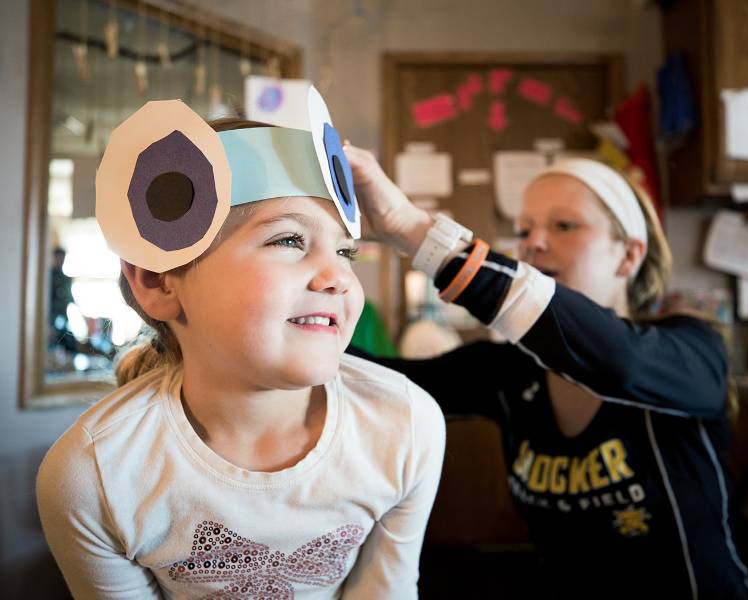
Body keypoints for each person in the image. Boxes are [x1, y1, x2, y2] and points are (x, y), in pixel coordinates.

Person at [36, 94, 445, 599]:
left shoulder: (405, 425)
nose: (339, 276)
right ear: (158, 282)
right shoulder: (93, 475)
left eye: (346, 252)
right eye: (288, 240)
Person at [343, 145, 748, 600]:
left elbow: (617, 363)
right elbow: (378, 381)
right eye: (524, 230)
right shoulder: (508, 371)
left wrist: (415, 231)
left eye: (564, 225)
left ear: (628, 256)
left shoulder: (691, 350)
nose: (533, 243)